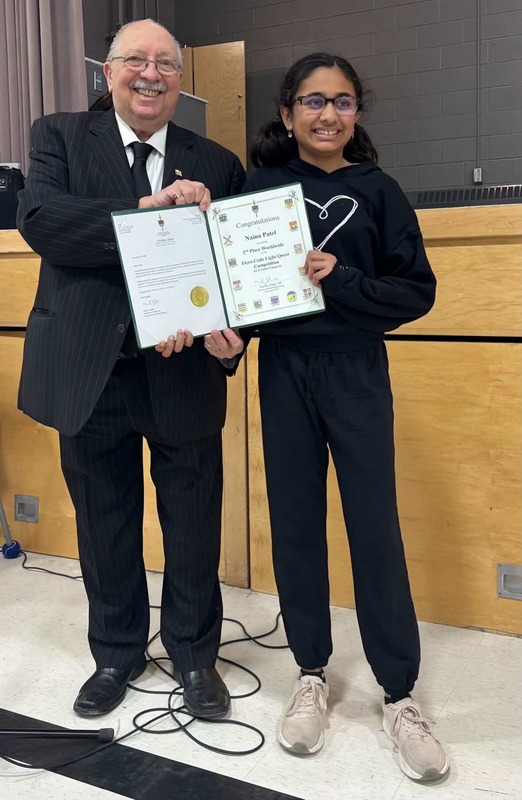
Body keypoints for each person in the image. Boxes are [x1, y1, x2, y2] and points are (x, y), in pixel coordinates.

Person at [203, 52, 449, 782]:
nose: (326, 114)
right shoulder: (260, 189)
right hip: (284, 373)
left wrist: (341, 280)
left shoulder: (382, 192)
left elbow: (415, 294)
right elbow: (239, 289)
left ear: (357, 114)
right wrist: (227, 344)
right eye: (312, 101)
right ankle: (311, 671)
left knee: (374, 526)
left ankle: (399, 694)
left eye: (342, 102)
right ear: (286, 114)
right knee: (296, 524)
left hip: (356, 372)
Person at [16, 19, 245, 720]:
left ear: (181, 79)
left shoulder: (218, 161)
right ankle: (115, 654)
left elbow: (232, 271)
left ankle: (195, 656)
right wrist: (147, 210)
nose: (151, 74)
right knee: (103, 522)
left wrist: (231, 333)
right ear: (108, 73)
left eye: (166, 64)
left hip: (183, 374)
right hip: (92, 371)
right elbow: (45, 222)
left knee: (194, 522)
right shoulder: (58, 136)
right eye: (135, 61)